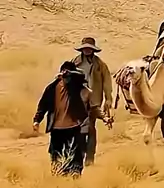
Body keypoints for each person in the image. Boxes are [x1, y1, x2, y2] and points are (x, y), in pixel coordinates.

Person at [33, 61, 111, 176]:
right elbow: (43, 105)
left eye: (69, 75)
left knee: (76, 157)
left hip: (75, 128)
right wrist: (37, 120)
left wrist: (104, 118)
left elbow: (93, 108)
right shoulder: (51, 88)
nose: (67, 78)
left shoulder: (80, 89)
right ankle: (58, 178)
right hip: (56, 128)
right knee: (56, 157)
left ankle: (74, 178)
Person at [72, 36, 113, 167]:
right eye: (85, 48)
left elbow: (107, 82)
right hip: (77, 101)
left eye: (89, 48)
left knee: (90, 129)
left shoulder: (100, 65)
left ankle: (89, 158)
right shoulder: (74, 63)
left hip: (93, 101)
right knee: (77, 130)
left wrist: (108, 98)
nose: (87, 50)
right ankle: (77, 156)